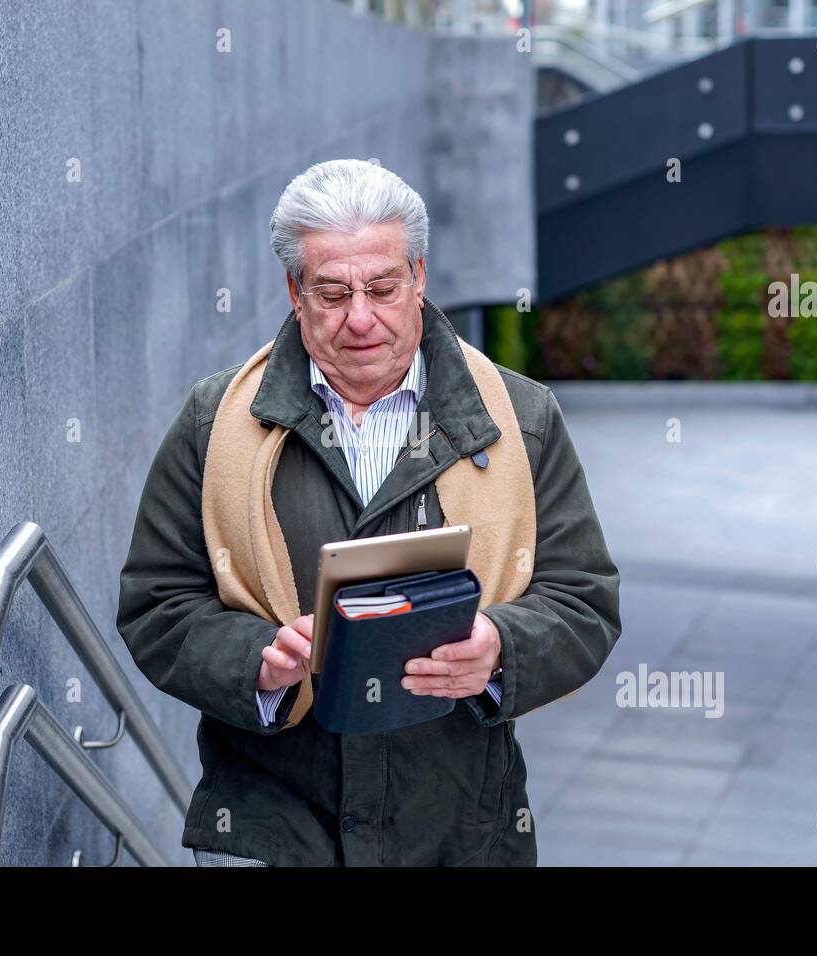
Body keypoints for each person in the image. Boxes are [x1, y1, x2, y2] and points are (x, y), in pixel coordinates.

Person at [116, 158, 621, 866]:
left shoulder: (521, 419)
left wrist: (500, 647)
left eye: (382, 287)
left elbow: (583, 601)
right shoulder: (214, 421)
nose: (360, 318)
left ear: (419, 276)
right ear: (294, 290)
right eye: (331, 291)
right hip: (271, 827)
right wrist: (254, 661)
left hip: (459, 831)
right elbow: (157, 604)